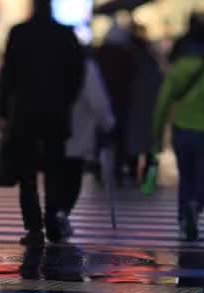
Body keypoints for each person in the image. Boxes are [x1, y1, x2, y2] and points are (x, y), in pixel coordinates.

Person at [0, 0, 84, 246]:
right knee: (55, 169)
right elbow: (77, 74)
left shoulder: (19, 33)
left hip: (25, 111)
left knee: (27, 172)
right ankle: (53, 222)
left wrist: (6, 110)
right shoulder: (66, 35)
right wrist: (66, 99)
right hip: (56, 111)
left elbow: (8, 75)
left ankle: (34, 228)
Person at [152, 17, 204, 241]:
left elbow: (163, 102)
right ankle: (196, 206)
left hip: (181, 129)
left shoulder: (178, 67)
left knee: (187, 177)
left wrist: (156, 134)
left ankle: (183, 221)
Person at [65, 53, 115, 216]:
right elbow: (98, 100)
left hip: (49, 130)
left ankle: (53, 214)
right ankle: (61, 213)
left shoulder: (43, 62)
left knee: (54, 174)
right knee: (72, 174)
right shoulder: (85, 66)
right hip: (77, 131)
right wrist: (107, 122)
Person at [95, 21, 135, 185]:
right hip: (121, 101)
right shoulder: (126, 56)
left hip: (103, 101)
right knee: (120, 138)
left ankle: (99, 170)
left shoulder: (99, 55)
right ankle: (118, 172)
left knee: (102, 138)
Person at [126, 23, 162, 183]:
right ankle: (148, 176)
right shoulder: (151, 60)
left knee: (133, 140)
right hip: (149, 105)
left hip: (134, 104)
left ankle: (133, 171)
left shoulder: (129, 58)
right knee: (148, 142)